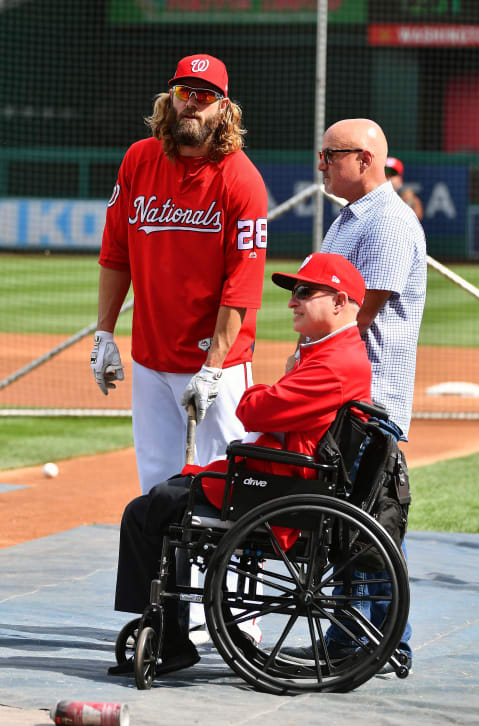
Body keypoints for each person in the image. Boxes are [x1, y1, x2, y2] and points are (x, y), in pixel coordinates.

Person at [107, 252, 373, 677]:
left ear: (340, 302)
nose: (292, 302)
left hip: (276, 489)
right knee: (157, 502)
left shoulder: (334, 363)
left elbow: (253, 410)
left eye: (305, 292)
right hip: (275, 481)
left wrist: (263, 392)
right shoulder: (330, 353)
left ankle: (167, 633)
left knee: (149, 508)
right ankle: (166, 628)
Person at [90, 54, 268, 496]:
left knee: (224, 484)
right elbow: (116, 253)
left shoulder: (241, 180)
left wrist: (212, 368)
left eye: (205, 96)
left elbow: (243, 284)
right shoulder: (138, 160)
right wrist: (104, 334)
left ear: (224, 109)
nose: (193, 103)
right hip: (150, 358)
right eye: (185, 93)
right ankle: (162, 569)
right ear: (170, 99)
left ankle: (219, 570)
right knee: (154, 484)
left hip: (218, 364)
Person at [316, 118, 426, 675]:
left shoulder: (387, 222)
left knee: (368, 522)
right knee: (355, 521)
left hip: (369, 399)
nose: (321, 164)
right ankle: (357, 636)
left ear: (363, 159)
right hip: (345, 395)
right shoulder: (349, 219)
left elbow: (358, 315)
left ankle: (379, 641)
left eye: (330, 154)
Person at [385, 156, 424, 221]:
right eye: (385, 172)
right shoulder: (370, 194)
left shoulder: (407, 197)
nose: (388, 176)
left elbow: (418, 216)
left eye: (392, 173)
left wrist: (408, 204)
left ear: (400, 179)